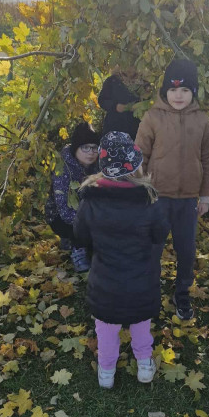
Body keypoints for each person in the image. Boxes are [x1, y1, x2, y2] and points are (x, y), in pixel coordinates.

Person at [74, 131, 169, 388]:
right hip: (141, 280)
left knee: (105, 329)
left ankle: (106, 371)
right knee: (140, 325)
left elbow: (80, 236)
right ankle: (144, 364)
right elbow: (160, 233)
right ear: (136, 164)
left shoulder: (90, 200)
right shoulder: (150, 200)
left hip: (105, 281)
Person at [135, 58, 209, 321]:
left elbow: (207, 160)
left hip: (188, 200)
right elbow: (139, 158)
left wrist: (205, 195)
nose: (178, 96)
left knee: (187, 251)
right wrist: (140, 191)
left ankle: (182, 294)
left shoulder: (202, 120)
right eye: (173, 90)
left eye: (185, 90)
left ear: (193, 92)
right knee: (153, 248)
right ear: (164, 91)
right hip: (157, 198)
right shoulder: (152, 117)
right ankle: (148, 294)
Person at [45, 122, 100, 272]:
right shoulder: (63, 169)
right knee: (80, 231)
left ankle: (75, 241)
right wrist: (90, 223)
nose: (91, 152)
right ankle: (77, 249)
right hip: (60, 216)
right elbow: (64, 209)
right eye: (85, 148)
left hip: (89, 212)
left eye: (94, 148)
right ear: (76, 149)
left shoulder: (97, 165)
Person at [98, 67, 148, 140]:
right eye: (127, 64)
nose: (130, 68)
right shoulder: (112, 81)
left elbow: (150, 103)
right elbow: (102, 100)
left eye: (132, 64)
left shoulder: (144, 83)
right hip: (114, 129)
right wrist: (115, 106)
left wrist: (140, 107)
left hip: (136, 132)